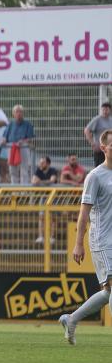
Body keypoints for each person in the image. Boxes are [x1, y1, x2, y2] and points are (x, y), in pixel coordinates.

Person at [63, 128, 112, 345]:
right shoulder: (95, 176)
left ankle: (72, 319)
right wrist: (78, 244)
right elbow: (83, 213)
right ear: (103, 148)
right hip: (103, 240)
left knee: (108, 291)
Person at [0, 105, 36, 185]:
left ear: (23, 113)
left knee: (24, 169)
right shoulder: (10, 124)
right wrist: (3, 141)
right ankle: (14, 188)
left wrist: (23, 141)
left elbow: (30, 138)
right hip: (12, 148)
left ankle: (24, 190)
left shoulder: (28, 124)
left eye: (20, 112)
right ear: (13, 114)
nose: (19, 113)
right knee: (13, 170)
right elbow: (5, 137)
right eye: (17, 112)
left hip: (23, 147)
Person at [84, 102, 112, 167]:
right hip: (100, 149)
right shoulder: (97, 119)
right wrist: (93, 144)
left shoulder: (111, 120)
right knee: (99, 167)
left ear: (110, 110)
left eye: (106, 110)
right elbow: (87, 130)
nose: (105, 111)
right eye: (103, 110)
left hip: (110, 149)